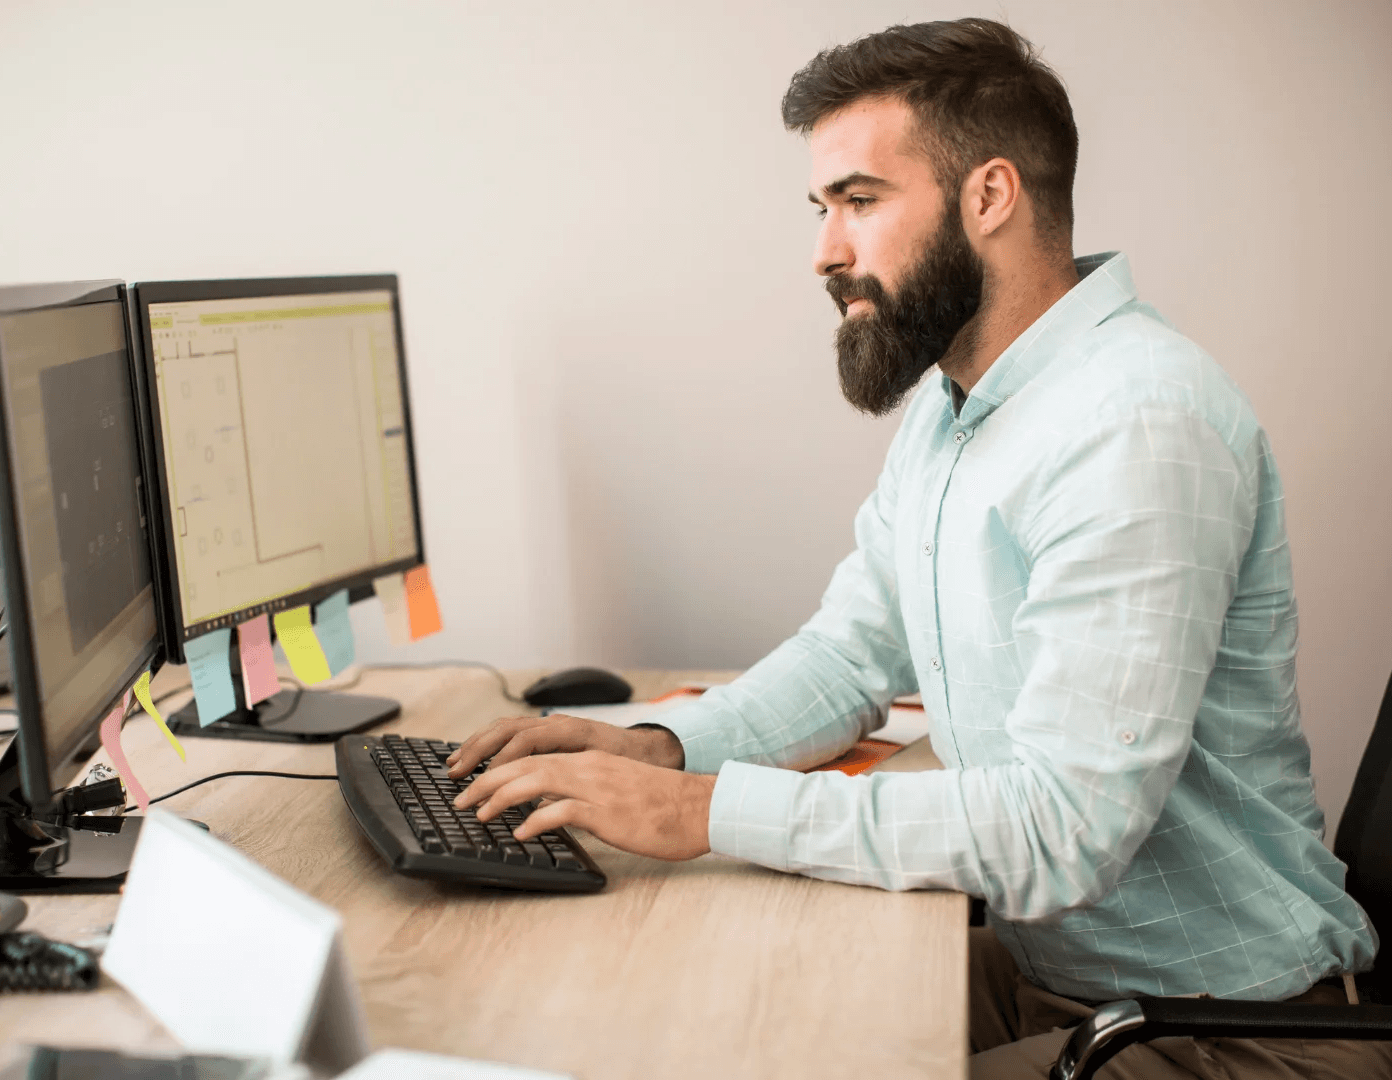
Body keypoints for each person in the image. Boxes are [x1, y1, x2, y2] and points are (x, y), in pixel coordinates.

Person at [449, 17, 1389, 1079]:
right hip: (1077, 982)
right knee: (704, 1021)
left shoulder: (1137, 422)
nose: (822, 250)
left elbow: (1060, 830)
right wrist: (660, 749)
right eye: (820, 208)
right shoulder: (956, 410)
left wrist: (702, 810)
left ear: (988, 196)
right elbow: (852, 656)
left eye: (857, 201)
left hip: (1231, 1032)